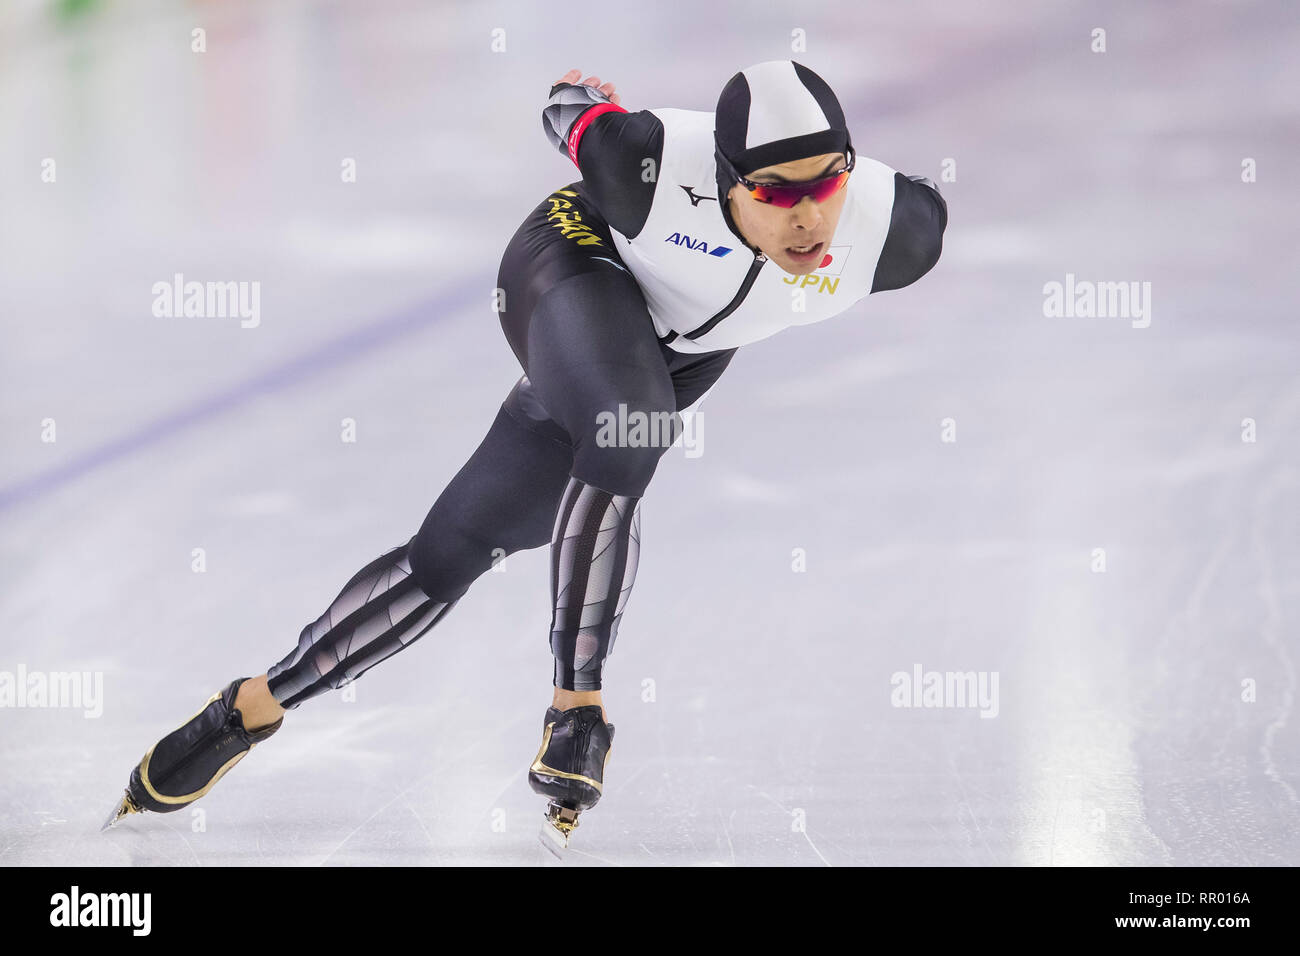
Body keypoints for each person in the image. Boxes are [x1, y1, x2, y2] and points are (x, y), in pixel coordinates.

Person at [105, 60, 948, 844]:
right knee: (632, 422)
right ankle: (576, 713)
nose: (807, 216)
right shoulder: (645, 165)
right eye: (774, 191)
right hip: (569, 265)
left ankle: (246, 710)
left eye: (826, 183)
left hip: (671, 353)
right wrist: (584, 96)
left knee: (453, 553)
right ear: (726, 179)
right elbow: (566, 106)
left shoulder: (894, 231)